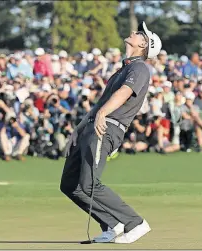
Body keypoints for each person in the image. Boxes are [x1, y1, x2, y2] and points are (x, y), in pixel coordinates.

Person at [60, 21, 162, 244]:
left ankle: (135, 223)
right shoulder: (124, 68)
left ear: (144, 44)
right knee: (69, 185)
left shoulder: (140, 68)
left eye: (139, 34)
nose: (133, 33)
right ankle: (111, 224)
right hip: (92, 126)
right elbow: (100, 103)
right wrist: (77, 130)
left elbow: (125, 93)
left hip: (107, 127)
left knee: (89, 184)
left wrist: (102, 114)